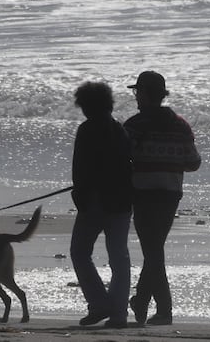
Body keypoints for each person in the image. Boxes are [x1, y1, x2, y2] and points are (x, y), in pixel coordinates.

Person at [123, 70, 201, 327]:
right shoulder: (181, 125)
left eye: (137, 92)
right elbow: (193, 163)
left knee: (153, 251)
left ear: (145, 94)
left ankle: (158, 307)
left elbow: (121, 161)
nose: (135, 97)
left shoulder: (134, 126)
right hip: (170, 193)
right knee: (154, 250)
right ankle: (145, 303)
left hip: (143, 193)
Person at [69, 80, 134, 328]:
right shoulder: (121, 131)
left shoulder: (87, 130)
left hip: (94, 201)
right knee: (119, 257)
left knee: (80, 252)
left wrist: (80, 195)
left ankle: (99, 303)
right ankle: (118, 313)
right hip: (121, 201)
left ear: (86, 106)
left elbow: (81, 168)